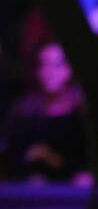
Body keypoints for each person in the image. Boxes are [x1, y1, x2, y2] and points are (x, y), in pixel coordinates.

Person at [5, 42, 91, 184]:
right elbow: (13, 161)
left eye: (56, 65)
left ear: (70, 68)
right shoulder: (25, 113)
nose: (49, 72)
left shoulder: (83, 114)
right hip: (36, 190)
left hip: (75, 189)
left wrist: (50, 157)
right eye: (44, 65)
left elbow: (87, 163)